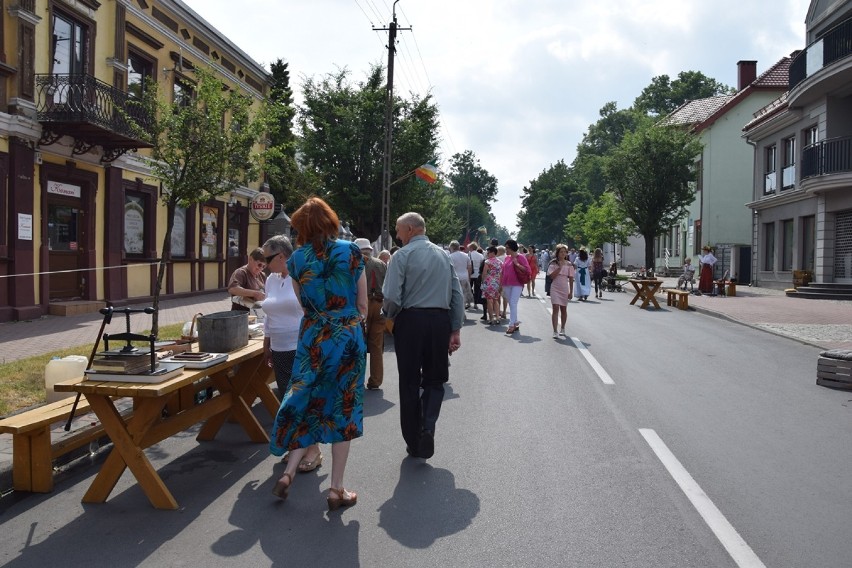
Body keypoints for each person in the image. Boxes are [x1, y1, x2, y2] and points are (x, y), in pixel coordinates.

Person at [269, 197, 367, 511]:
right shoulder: (350, 251)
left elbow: (302, 305)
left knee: (309, 401)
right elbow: (363, 302)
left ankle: (288, 471)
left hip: (312, 337)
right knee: (343, 408)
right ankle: (336, 489)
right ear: (331, 222)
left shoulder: (296, 259)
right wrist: (350, 319)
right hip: (346, 336)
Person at [382, 212, 464, 459]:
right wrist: (455, 328)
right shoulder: (443, 255)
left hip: (410, 321)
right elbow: (456, 294)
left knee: (408, 383)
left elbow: (393, 297)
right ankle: (428, 427)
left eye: (398, 230)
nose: (397, 235)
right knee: (435, 379)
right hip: (439, 322)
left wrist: (388, 315)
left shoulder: (402, 255)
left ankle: (414, 441)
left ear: (409, 229)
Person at [355, 237, 387, 390]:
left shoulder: (355, 264)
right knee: (376, 345)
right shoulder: (381, 264)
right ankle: (375, 380)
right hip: (380, 304)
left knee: (360, 345)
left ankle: (358, 380)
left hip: (363, 305)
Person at [501, 239, 530, 334]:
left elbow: (527, 270)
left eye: (507, 248)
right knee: (511, 303)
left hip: (517, 283)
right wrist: (500, 283)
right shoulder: (506, 258)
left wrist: (517, 264)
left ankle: (511, 325)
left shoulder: (520, 257)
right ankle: (516, 322)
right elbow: (503, 271)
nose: (506, 250)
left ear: (513, 248)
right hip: (506, 283)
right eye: (505, 248)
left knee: (513, 303)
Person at [547, 244, 574, 337]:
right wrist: (560, 267)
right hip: (555, 287)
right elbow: (551, 276)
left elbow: (571, 278)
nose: (563, 254)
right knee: (555, 308)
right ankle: (555, 330)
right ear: (557, 253)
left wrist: (571, 291)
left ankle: (562, 328)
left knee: (563, 309)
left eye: (564, 252)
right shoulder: (553, 263)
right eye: (561, 252)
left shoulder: (569, 264)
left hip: (564, 287)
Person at [448, 241, 474, 310]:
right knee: (464, 295)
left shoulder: (450, 256)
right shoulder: (466, 255)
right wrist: (469, 277)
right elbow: (469, 268)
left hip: (454, 278)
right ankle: (463, 311)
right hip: (465, 277)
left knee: (455, 296)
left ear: (452, 247)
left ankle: (458, 312)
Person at [481, 245, 503, 325]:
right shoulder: (500, 262)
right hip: (497, 282)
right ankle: (497, 317)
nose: (487, 254)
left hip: (488, 282)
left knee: (489, 301)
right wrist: (501, 284)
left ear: (493, 252)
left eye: (488, 252)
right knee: (496, 300)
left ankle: (491, 318)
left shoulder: (487, 262)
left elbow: (484, 273)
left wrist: (482, 282)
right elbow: (501, 274)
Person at [468, 242, 486, 321]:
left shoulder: (469, 255)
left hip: (471, 274)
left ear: (471, 248)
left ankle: (469, 302)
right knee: (477, 289)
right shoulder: (481, 255)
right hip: (478, 275)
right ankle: (475, 303)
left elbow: (468, 265)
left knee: (469, 288)